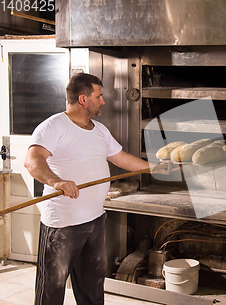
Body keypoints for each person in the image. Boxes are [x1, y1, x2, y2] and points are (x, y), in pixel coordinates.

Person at [24, 72, 171, 305]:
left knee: (92, 289)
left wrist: (153, 168)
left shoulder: (100, 130)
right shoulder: (54, 126)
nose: (103, 101)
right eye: (99, 96)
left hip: (94, 220)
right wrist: (57, 182)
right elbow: (33, 161)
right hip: (62, 224)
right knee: (51, 291)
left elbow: (121, 158)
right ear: (83, 99)